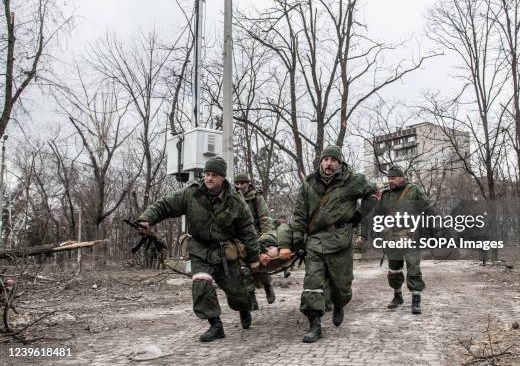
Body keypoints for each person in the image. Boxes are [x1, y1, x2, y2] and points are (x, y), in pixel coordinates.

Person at [137, 157, 261, 342]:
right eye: (207, 174)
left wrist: (253, 256)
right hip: (199, 248)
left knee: (237, 293)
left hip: (224, 250)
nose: (209, 178)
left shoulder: (235, 200)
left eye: (214, 175)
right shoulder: (191, 193)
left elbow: (247, 230)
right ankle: (215, 325)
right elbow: (164, 205)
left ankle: (244, 307)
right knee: (201, 285)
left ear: (222, 178)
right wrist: (146, 219)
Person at [279, 145, 377, 343]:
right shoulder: (308, 185)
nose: (329, 163)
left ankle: (339, 304)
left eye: (333, 160)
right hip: (315, 241)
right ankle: (315, 325)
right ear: (321, 162)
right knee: (312, 284)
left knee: (341, 286)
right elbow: (299, 215)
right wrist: (298, 241)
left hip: (340, 239)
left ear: (339, 164)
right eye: (326, 159)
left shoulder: (352, 181)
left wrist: (360, 214)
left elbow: (374, 193)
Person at [376, 165, 430, 314]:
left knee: (413, 267)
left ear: (402, 177)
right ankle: (397, 296)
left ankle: (416, 299)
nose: (390, 181)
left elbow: (427, 207)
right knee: (394, 269)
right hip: (392, 237)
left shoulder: (414, 190)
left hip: (411, 236)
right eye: (388, 178)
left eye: (393, 178)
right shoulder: (385, 194)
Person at [234, 173, 276, 307]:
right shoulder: (233, 198)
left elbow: (265, 218)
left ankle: (267, 285)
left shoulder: (256, 197)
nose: (240, 186)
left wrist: (266, 238)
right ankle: (251, 297)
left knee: (259, 264)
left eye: (242, 183)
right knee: (244, 269)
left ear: (248, 183)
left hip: (257, 235)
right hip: (240, 237)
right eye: (238, 184)